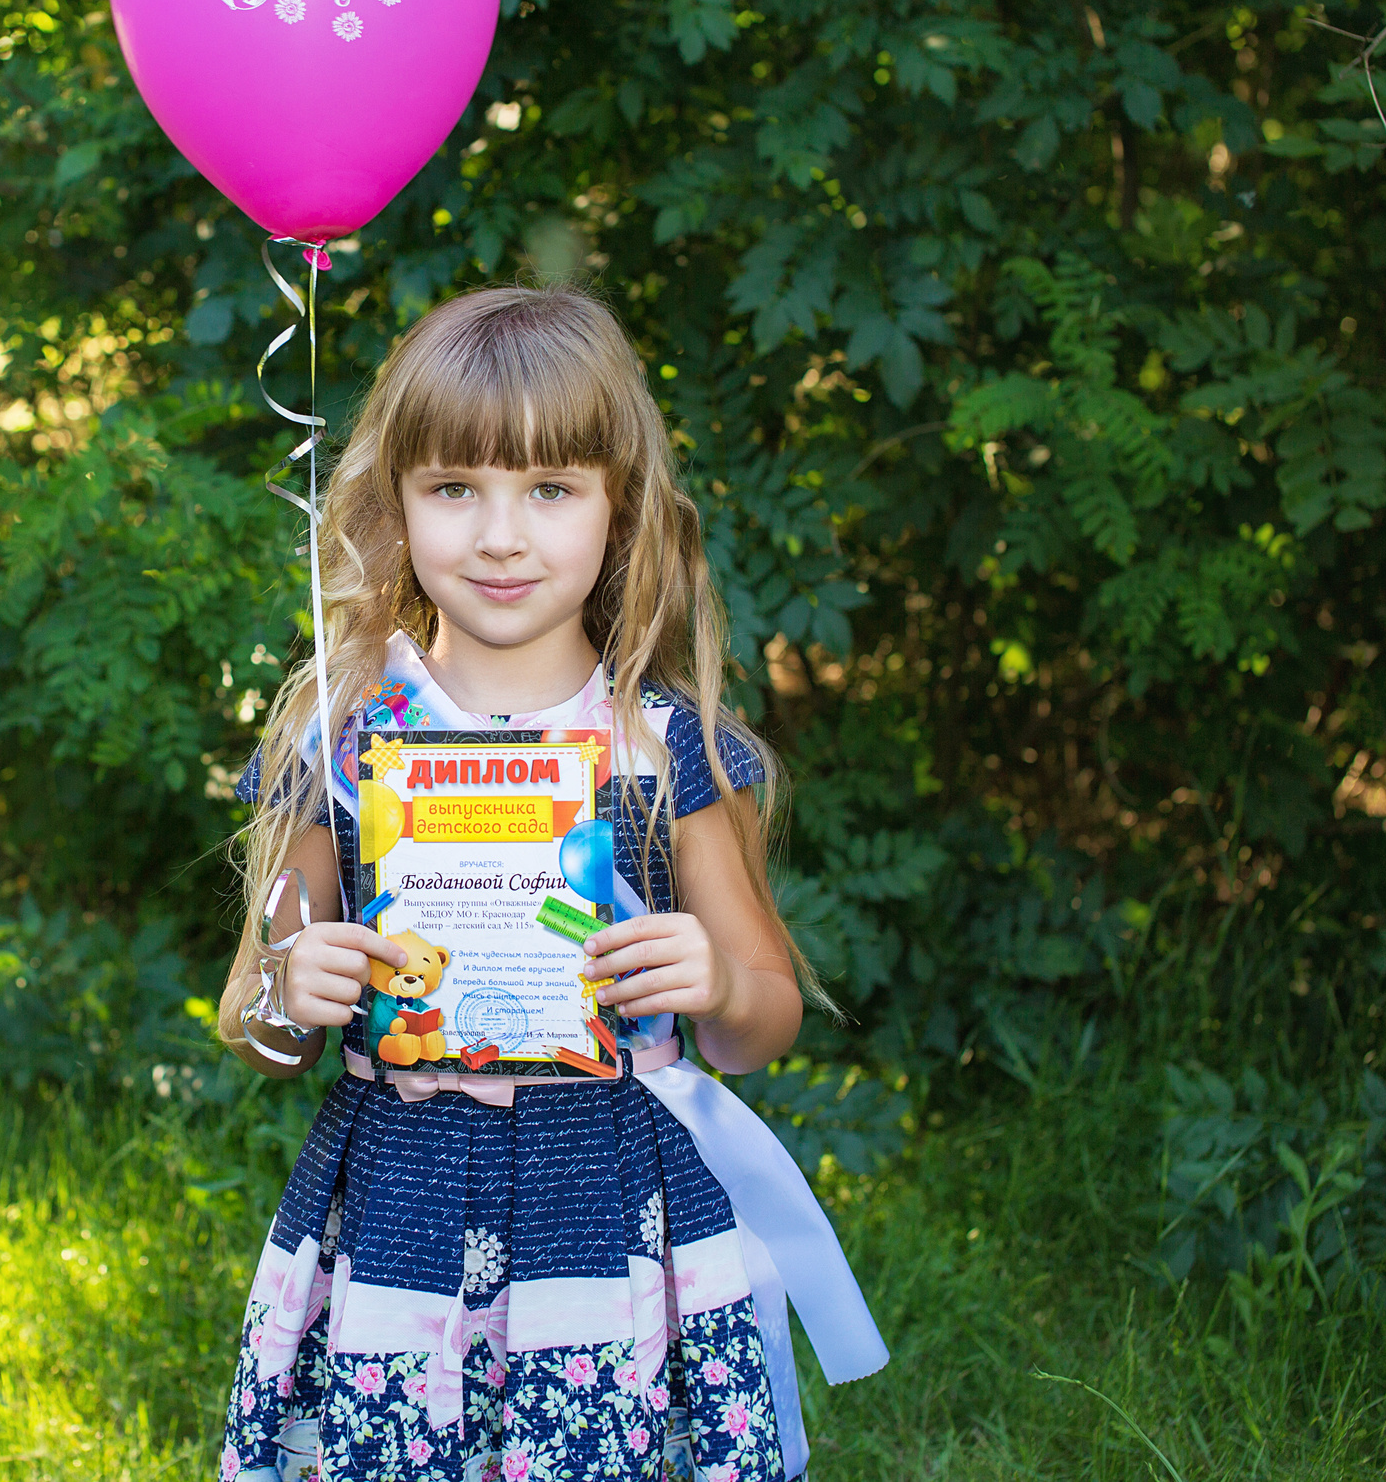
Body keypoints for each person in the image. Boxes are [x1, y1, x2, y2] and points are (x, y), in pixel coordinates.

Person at [211, 287, 886, 1482]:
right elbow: (252, 1025)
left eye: (550, 489)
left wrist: (718, 979)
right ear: (397, 504)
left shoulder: (663, 746)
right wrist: (290, 985)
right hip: (398, 1210)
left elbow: (763, 1021)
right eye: (455, 488)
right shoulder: (351, 734)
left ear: (618, 505)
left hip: (614, 1205)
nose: (501, 535)